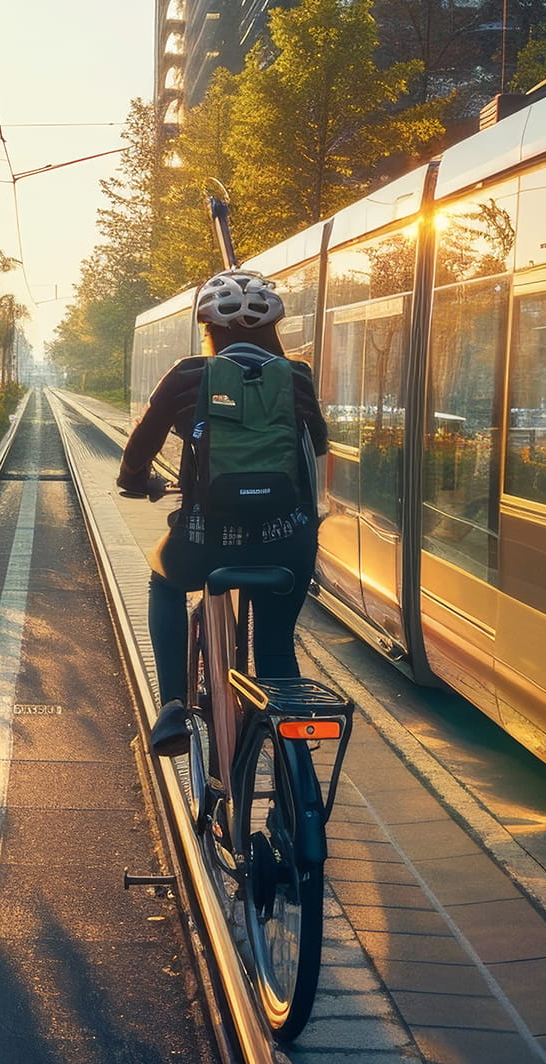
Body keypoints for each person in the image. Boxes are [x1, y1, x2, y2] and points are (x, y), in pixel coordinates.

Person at [116, 270, 330, 756]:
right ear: (274, 329)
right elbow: (316, 444)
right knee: (275, 648)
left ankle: (172, 704)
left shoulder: (189, 374)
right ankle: (295, 779)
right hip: (288, 542)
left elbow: (141, 446)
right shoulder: (296, 375)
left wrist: (135, 482)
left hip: (203, 543)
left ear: (206, 328)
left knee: (163, 580)